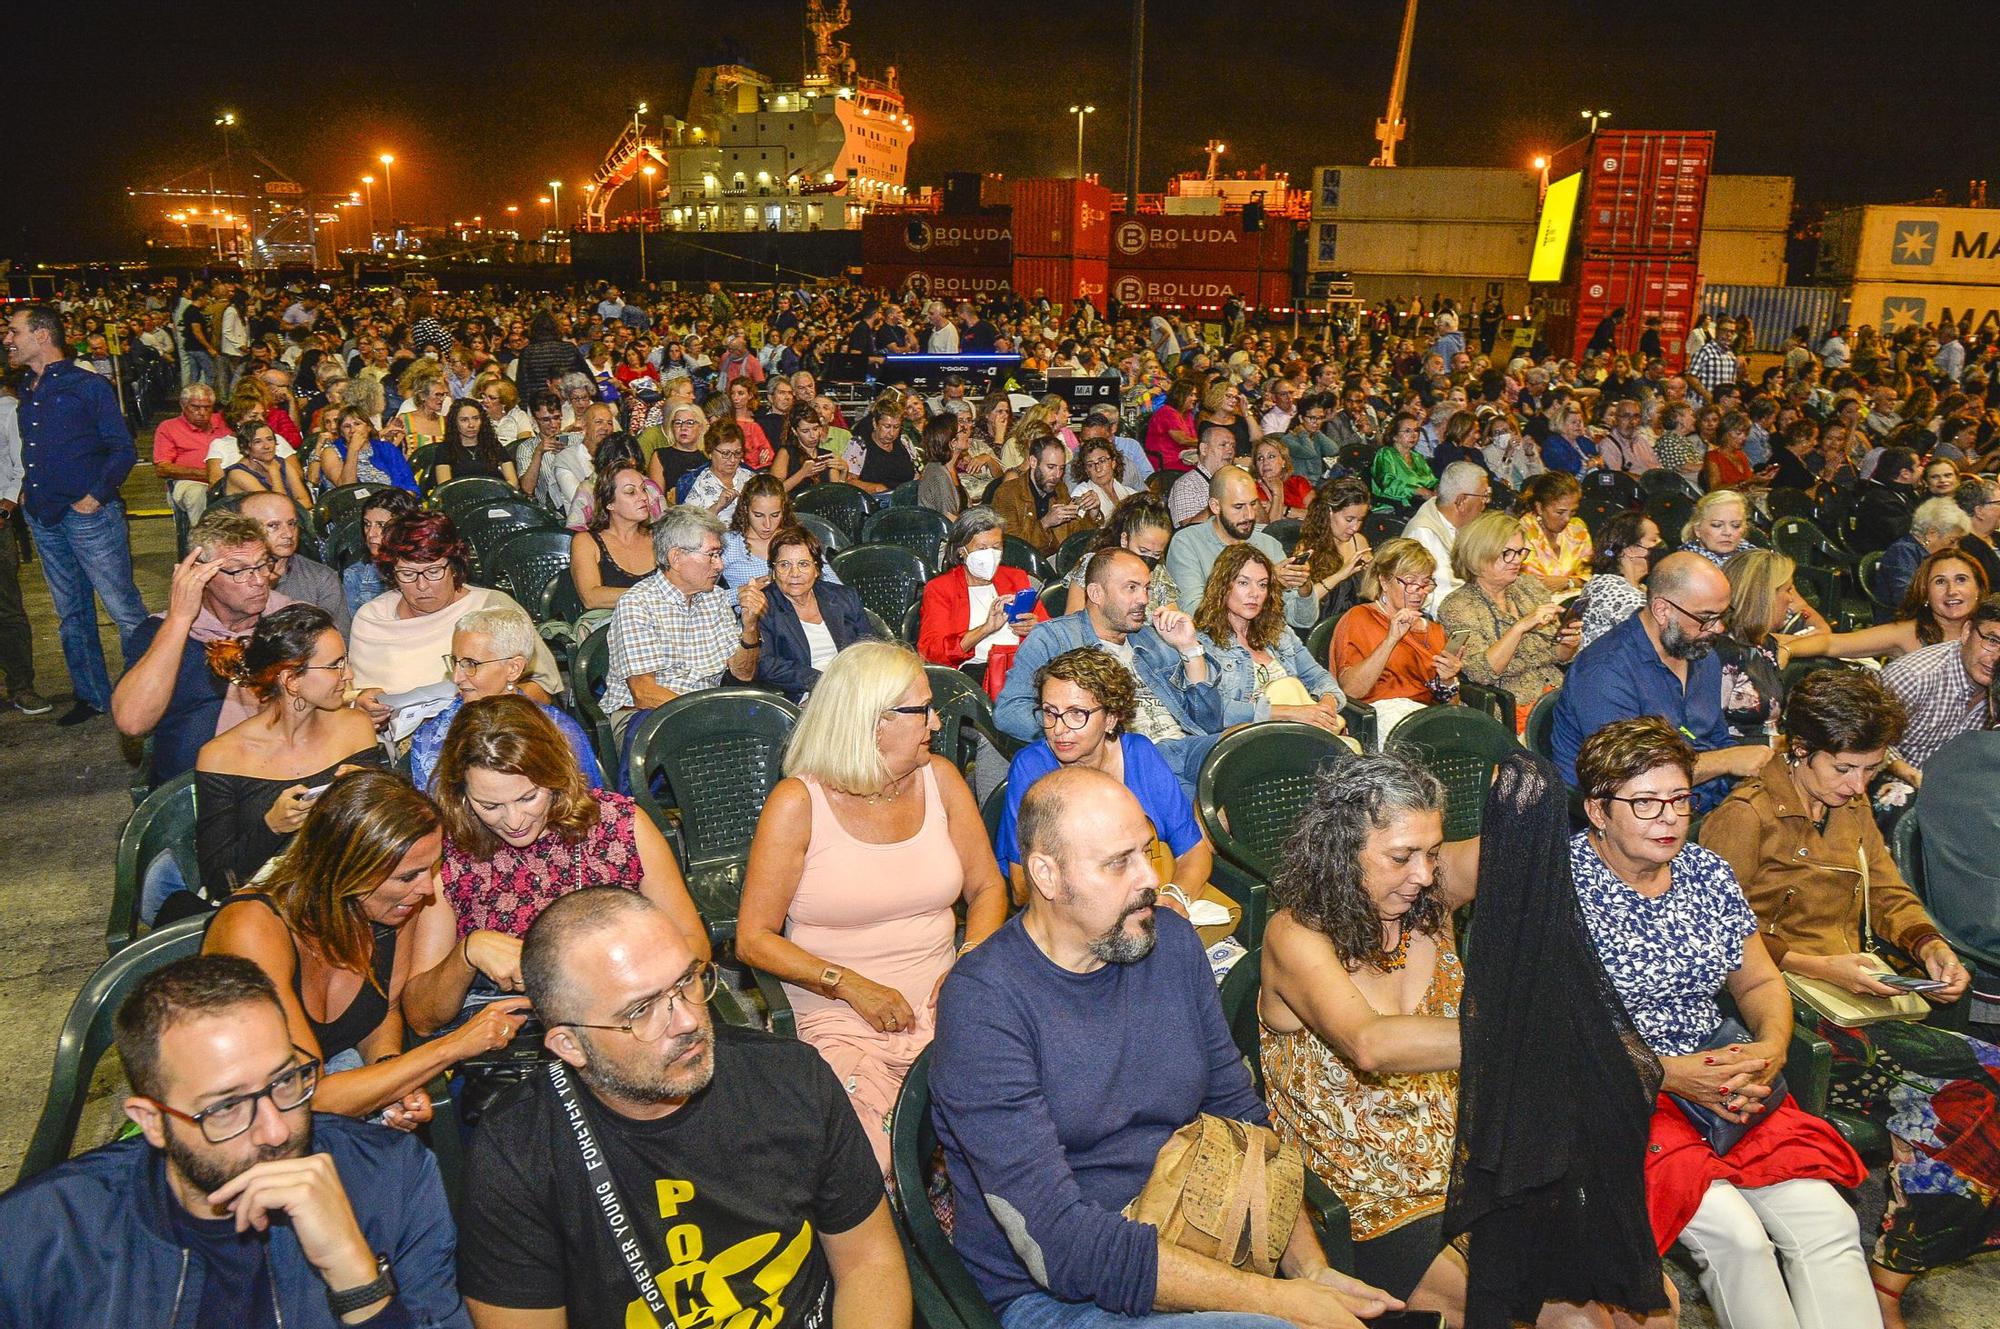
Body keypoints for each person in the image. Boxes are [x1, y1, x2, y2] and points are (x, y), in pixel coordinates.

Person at [931, 766, 1401, 1329]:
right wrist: (1276, 1301)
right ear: (1047, 876)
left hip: (1196, 1239)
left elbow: (1243, 1123)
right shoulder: (985, 1004)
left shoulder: (1171, 945)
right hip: (1059, 1295)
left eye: (1146, 852)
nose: (1148, 879)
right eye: (1117, 863)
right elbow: (1061, 1245)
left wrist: (1310, 1273)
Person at [457, 888, 911, 1327]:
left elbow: (868, 1263)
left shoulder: (790, 1076)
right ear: (569, 1045)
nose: (690, 1019)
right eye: (642, 1010)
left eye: (687, 981)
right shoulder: (518, 1153)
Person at [1699, 670, 1996, 1326]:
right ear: (1797, 747)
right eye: (1845, 767)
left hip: (1851, 1001)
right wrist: (1818, 963)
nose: (1858, 784)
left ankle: (1897, 1251)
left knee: (1988, 1081)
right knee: (1971, 1095)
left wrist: (1927, 945)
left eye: (1868, 768)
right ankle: (1894, 1264)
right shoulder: (1743, 817)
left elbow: (1888, 892)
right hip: (1783, 1012)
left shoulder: (1847, 803)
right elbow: (1715, 943)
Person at [1571, 718, 1872, 1329]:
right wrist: (1670, 1074)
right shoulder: (1559, 885)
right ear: (1598, 811)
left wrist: (1771, 1048)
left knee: (1831, 1221)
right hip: (1618, 1088)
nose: (1670, 818)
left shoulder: (1706, 873)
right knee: (1737, 1235)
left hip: (1722, 1076)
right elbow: (1549, 1027)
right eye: (1646, 803)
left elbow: (1758, 980)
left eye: (1679, 799)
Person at [0, 953, 470, 1327]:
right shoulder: (42, 1236)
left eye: (286, 1082)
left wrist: (358, 1281)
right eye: (226, 1108)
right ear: (153, 1122)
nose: (276, 1130)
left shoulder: (393, 1177)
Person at [1260, 753, 1549, 1316]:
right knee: (1519, 1308)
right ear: (1342, 851)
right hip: (1364, 1191)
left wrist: (1523, 805)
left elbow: (1525, 855)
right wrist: (1523, 1037)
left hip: (1469, 1158)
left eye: (1433, 853)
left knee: (1632, 1295)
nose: (1422, 873)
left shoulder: (1428, 900)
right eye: (1401, 856)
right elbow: (1370, 1042)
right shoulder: (1296, 933)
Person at [736, 643, 1007, 1170]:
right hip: (837, 1011)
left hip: (943, 1001)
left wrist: (969, 962)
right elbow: (753, 938)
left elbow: (989, 890)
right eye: (922, 710)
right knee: (874, 1160)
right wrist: (849, 984)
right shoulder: (799, 804)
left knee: (1018, 1123)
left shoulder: (941, 780)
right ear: (874, 722)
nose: (936, 721)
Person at [203, 769, 532, 1130]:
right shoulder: (252, 930)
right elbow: (304, 1097)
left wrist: (388, 1069)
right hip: (243, 1120)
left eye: (431, 869)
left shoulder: (392, 908)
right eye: (408, 876)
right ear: (346, 869)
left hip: (335, 1077)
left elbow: (383, 1008)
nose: (427, 890)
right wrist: (452, 1047)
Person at [405, 695, 708, 1041]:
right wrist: (467, 953)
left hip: (631, 1022)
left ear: (554, 776)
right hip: (520, 1045)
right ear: (460, 795)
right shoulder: (450, 858)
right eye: (489, 805)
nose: (514, 820)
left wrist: (619, 977)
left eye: (527, 797)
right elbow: (421, 1016)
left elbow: (693, 945)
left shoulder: (619, 826)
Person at [995, 648, 1238, 945]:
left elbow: (1193, 851)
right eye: (1049, 712)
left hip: (1151, 910)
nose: (1059, 729)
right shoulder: (1031, 769)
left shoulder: (1141, 755)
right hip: (1073, 930)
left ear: (1111, 717)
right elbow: (1022, 887)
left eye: (1076, 714)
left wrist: (1173, 898)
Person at [5, 303, 148, 726]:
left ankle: (145, 696)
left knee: (123, 608)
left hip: (90, 517)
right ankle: (92, 695)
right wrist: (28, 498)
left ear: (42, 335)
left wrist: (95, 497)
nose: (7, 339)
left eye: (14, 331)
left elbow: (123, 449)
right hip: (45, 517)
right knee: (71, 613)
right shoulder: (27, 391)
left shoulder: (89, 386)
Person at [193, 604, 381, 908]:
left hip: (348, 890)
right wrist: (272, 827)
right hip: (265, 905)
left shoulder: (354, 729)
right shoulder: (223, 756)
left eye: (345, 661)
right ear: (291, 680)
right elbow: (219, 880)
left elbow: (382, 836)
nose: (348, 675)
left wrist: (366, 797)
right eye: (334, 665)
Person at [1551, 552, 1771, 811]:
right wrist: (1726, 761)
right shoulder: (1605, 671)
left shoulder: (1701, 654)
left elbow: (1717, 737)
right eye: (1707, 617)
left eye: (1724, 615)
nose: (1719, 628)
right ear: (1662, 610)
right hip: (1627, 814)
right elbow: (1632, 775)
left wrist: (1742, 776)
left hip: (1699, 801)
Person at [996, 549, 1225, 796]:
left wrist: (1189, 649)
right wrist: (1084, 731)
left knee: (1252, 749)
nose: (1144, 599)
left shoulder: (1155, 639)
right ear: (1096, 593)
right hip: (1126, 757)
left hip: (1186, 748)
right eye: (1131, 588)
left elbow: (1209, 722)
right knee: (1198, 797)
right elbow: (1009, 712)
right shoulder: (1054, 639)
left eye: (1146, 588)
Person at [113, 510, 289, 786]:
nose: (258, 581)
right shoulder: (162, 633)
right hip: (189, 792)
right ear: (201, 576)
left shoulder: (290, 624)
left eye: (262, 565)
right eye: (240, 570)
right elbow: (132, 722)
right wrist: (179, 619)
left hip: (276, 780)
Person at [348, 511, 560, 705]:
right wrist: (361, 703)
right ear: (391, 573)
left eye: (433, 571)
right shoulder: (371, 620)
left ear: (454, 567)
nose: (422, 585)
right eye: (407, 574)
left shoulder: (492, 608)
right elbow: (349, 697)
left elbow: (543, 687)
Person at [600, 506, 767, 745]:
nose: (719, 565)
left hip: (706, 709)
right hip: (645, 717)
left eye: (719, 555)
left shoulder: (715, 598)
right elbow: (644, 693)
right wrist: (711, 718)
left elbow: (743, 673)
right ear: (676, 557)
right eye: (712, 555)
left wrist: (750, 627)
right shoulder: (638, 603)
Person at [407, 607, 602, 795]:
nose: (457, 677)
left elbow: (587, 807)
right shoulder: (433, 736)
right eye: (455, 662)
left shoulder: (558, 732)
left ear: (513, 669)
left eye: (470, 664)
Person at [1438, 511, 1579, 719]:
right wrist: (1520, 627)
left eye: (1520, 552)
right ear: (1479, 555)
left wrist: (1568, 643)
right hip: (1510, 705)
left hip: (1557, 693)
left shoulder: (1530, 587)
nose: (1516, 561)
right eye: (1507, 553)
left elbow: (1558, 656)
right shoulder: (1457, 606)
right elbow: (1482, 672)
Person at [1195, 543, 1347, 731]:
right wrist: (1291, 713)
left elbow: (1319, 677)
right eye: (1243, 583)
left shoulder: (1280, 632)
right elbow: (1212, 712)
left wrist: (1326, 705)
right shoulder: (1203, 643)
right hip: (1248, 739)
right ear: (1223, 587)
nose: (1255, 593)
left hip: (1298, 732)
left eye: (1262, 585)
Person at [1165, 465, 1312, 629]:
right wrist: (1266, 581)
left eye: (1253, 504)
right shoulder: (1187, 542)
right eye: (1238, 506)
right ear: (1215, 506)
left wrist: (1304, 588)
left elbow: (1302, 621)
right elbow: (1195, 614)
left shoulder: (1268, 544)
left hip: (1268, 645)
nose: (1249, 515)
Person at [1331, 538, 1462, 720]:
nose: (1419, 591)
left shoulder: (1434, 630)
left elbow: (1451, 706)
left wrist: (1448, 681)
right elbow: (1351, 691)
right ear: (1384, 581)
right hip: (1378, 717)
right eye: (1409, 582)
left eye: (1425, 583)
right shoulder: (1360, 618)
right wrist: (1390, 640)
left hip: (1428, 719)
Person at [1877, 595, 2000, 783]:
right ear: (1967, 631)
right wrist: (1909, 774)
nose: (1996, 658)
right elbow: (1866, 738)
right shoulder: (1914, 676)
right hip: (1895, 783)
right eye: (1992, 641)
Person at [754, 525, 879, 700]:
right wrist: (822, 682)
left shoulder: (843, 597)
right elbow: (765, 665)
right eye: (784, 565)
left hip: (855, 684)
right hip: (806, 692)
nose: (794, 573)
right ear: (773, 571)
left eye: (803, 564)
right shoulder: (763, 606)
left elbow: (868, 645)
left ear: (817, 570)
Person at [916, 506, 1049, 668]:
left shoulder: (1016, 578)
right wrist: (985, 629)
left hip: (1021, 666)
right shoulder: (941, 588)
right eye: (982, 548)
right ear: (961, 551)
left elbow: (1048, 631)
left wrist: (1035, 627)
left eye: (996, 547)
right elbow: (932, 653)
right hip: (973, 671)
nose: (990, 555)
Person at [239, 490, 348, 634]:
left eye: (292, 524)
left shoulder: (321, 578)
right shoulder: (227, 577)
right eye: (273, 526)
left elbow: (340, 640)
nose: (288, 534)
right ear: (246, 530)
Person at [1062, 493, 1180, 617]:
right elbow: (1072, 621)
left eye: (1156, 554)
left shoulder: (1159, 573)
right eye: (1143, 551)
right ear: (1125, 540)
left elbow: (1172, 619)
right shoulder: (1093, 565)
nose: (1149, 559)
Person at [1402, 461, 1493, 612]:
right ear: (1461, 501)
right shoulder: (1424, 533)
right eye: (1484, 496)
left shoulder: (1464, 523)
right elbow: (1438, 597)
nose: (1486, 502)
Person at [991, 433, 1099, 554]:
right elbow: (1011, 548)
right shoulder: (1008, 493)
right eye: (1051, 467)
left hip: (1056, 561)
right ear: (1033, 462)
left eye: (1061, 468)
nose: (1057, 475)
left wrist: (1092, 514)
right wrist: (1045, 523)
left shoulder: (1059, 489)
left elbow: (1075, 538)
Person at [569, 460, 654, 612]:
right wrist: (651, 596)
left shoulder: (659, 538)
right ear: (610, 504)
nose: (643, 497)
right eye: (630, 492)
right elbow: (591, 597)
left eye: (644, 489)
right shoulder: (586, 542)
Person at [1576, 513, 1665, 651]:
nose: (1660, 544)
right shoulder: (1608, 589)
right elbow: (1662, 633)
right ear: (1631, 549)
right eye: (1654, 539)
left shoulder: (1640, 588)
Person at [1871, 497, 1970, 618]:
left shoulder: (1932, 555)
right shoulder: (1902, 552)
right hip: (1903, 622)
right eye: (1953, 541)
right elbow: (1906, 598)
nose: (1956, 548)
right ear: (1931, 533)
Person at [153, 382, 233, 523]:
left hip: (230, 479)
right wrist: (208, 474)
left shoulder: (224, 421)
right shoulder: (168, 427)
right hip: (190, 482)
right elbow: (162, 468)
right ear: (183, 406)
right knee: (197, 494)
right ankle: (203, 538)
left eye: (207, 408)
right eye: (195, 407)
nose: (202, 412)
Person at [341, 487, 420, 616]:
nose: (371, 534)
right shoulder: (355, 575)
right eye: (367, 524)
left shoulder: (427, 571)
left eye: (381, 525)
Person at [314, 406, 418, 495]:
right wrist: (353, 450)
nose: (352, 430)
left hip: (393, 504)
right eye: (347, 426)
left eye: (357, 424)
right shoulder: (330, 452)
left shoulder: (386, 448)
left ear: (368, 427)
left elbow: (410, 485)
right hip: (353, 510)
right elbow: (347, 490)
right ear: (341, 432)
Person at [1517, 471, 1593, 594]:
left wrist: (1568, 582)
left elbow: (1589, 577)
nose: (1567, 519)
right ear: (1539, 507)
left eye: (1572, 512)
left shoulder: (1577, 529)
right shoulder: (1521, 533)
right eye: (1560, 512)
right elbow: (1530, 583)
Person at [719, 472, 797, 588]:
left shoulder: (797, 539)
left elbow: (832, 585)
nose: (767, 524)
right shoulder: (729, 544)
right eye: (758, 515)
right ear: (745, 509)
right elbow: (701, 597)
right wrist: (742, 592)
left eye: (775, 515)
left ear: (783, 510)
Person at [433, 397, 519, 489]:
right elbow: (445, 488)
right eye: (464, 420)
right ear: (455, 423)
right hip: (461, 499)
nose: (471, 425)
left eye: (475, 418)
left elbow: (513, 482)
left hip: (495, 497)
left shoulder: (492, 444)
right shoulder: (445, 449)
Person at [1166, 423, 1241, 528]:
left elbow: (1263, 524)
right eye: (1223, 445)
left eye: (1233, 446)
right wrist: (1220, 500)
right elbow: (1188, 531)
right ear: (1204, 449)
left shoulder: (1239, 481)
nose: (1230, 451)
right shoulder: (1186, 485)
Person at [686, 419, 754, 521]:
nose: (732, 460)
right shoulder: (697, 484)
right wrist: (718, 506)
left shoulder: (752, 479)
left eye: (737, 453)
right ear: (710, 452)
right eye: (725, 453)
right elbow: (687, 527)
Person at [1370, 412, 1438, 513]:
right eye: (1407, 431)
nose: (1414, 435)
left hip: (1420, 506)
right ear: (1394, 436)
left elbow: (1432, 481)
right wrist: (1417, 490)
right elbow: (1388, 485)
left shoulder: (1417, 457)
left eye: (1416, 430)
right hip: (1393, 508)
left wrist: (1438, 488)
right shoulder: (1386, 454)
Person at [848, 401, 917, 497]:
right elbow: (850, 481)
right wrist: (877, 488)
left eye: (896, 427)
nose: (891, 433)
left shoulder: (904, 441)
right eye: (887, 426)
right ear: (875, 424)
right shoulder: (860, 444)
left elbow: (917, 474)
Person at [1679, 489, 1753, 568]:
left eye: (1736, 525)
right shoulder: (1683, 565)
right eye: (1717, 525)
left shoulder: (1755, 560)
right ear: (1697, 529)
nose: (1727, 532)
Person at [1071, 431, 1138, 519]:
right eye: (1090, 465)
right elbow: (1078, 529)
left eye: (1102, 461)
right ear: (1086, 470)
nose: (1098, 469)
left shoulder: (1130, 494)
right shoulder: (1081, 493)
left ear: (1113, 463)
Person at [1250, 437, 1311, 523]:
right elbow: (1271, 529)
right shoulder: (1251, 490)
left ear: (1283, 461)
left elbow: (1318, 516)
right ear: (1255, 465)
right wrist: (1277, 492)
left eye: (1271, 456)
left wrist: (1285, 510)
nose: (1265, 462)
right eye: (1260, 458)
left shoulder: (1298, 482)